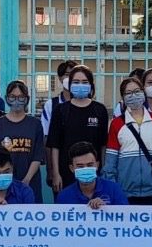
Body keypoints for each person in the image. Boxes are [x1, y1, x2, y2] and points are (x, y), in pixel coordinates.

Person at [103, 77, 152, 204]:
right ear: (123, 97)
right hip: (125, 190)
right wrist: (112, 185)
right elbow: (111, 160)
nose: (133, 95)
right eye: (128, 93)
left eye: (137, 91)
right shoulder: (116, 123)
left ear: (143, 92)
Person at [47, 64, 111, 192]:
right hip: (66, 174)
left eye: (84, 82)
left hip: (92, 173)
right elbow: (55, 146)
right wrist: (56, 174)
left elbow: (103, 145)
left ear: (91, 85)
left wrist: (103, 170)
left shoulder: (100, 110)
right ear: (70, 85)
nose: (80, 85)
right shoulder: (60, 110)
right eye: (76, 82)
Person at [0, 80, 47, 203]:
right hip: (3, 184)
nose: (16, 100)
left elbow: (37, 156)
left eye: (21, 97)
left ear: (27, 99)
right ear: (6, 98)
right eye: (12, 97)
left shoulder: (35, 124)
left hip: (30, 182)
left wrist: (27, 180)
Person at [55, 142, 129, 209]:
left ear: (97, 165)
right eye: (80, 166)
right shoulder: (64, 197)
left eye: (90, 165)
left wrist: (106, 209)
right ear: (72, 168)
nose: (85, 169)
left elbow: (125, 216)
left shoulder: (114, 190)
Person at [41, 59, 78, 138]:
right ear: (60, 78)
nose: (71, 78)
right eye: (67, 74)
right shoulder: (50, 105)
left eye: (74, 75)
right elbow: (45, 133)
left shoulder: (86, 103)